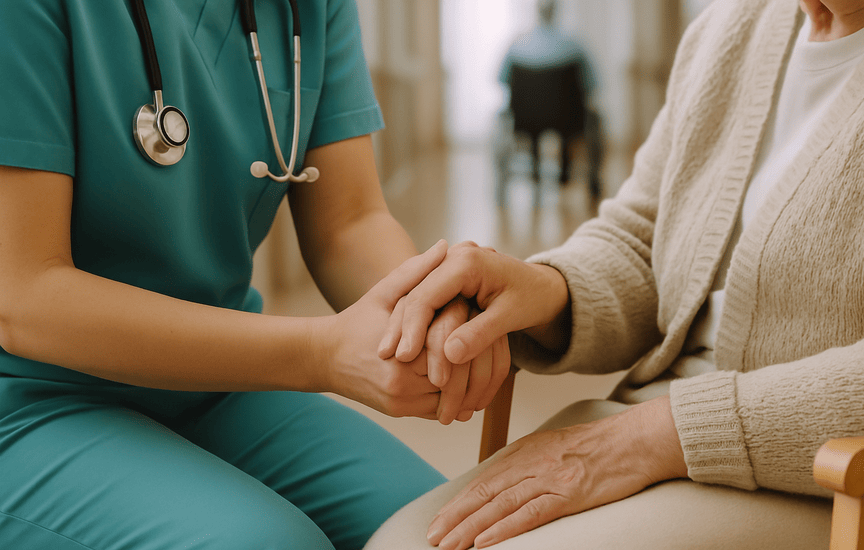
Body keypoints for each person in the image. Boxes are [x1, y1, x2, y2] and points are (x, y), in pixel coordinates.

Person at [367, 0, 864, 548]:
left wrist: (656, 437)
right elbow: (643, 238)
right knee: (400, 544)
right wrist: (549, 291)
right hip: (657, 441)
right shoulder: (729, 30)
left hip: (858, 490)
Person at [0, 1, 509, 549]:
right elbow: (24, 296)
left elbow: (349, 220)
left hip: (221, 382)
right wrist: (322, 352)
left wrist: (423, 307)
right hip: (33, 395)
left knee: (457, 533)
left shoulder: (309, 8)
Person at [496, 0, 602, 196]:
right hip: (569, 121)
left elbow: (501, 80)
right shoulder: (575, 47)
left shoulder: (516, 47)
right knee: (596, 117)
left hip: (524, 121)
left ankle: (522, 180)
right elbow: (592, 85)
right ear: (556, 12)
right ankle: (590, 181)